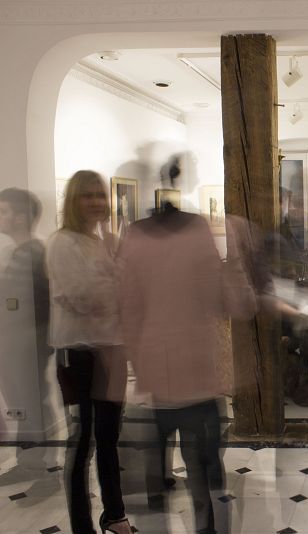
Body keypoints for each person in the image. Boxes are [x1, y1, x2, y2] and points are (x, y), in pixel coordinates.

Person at [117, 200, 259, 534]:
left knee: (174, 473)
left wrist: (138, 361)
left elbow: (128, 310)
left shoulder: (138, 236)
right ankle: (204, 526)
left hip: (168, 373)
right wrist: (235, 260)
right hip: (191, 373)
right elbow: (237, 304)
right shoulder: (194, 231)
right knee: (200, 469)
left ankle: (186, 520)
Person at [46, 171, 131, 534]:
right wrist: (112, 286)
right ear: (73, 200)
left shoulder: (104, 243)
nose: (96, 201)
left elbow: (124, 293)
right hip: (78, 352)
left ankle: (115, 514)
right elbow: (81, 298)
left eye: (100, 194)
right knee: (82, 442)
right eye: (88, 195)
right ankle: (82, 526)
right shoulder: (62, 243)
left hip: (111, 349)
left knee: (110, 437)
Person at [0, 188, 52, 477]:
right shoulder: (18, 252)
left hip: (25, 344)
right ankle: (28, 461)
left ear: (21, 218)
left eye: (3, 211)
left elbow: (31, 305)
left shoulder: (34, 253)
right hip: (15, 344)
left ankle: (34, 463)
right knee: (21, 402)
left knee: (29, 402)